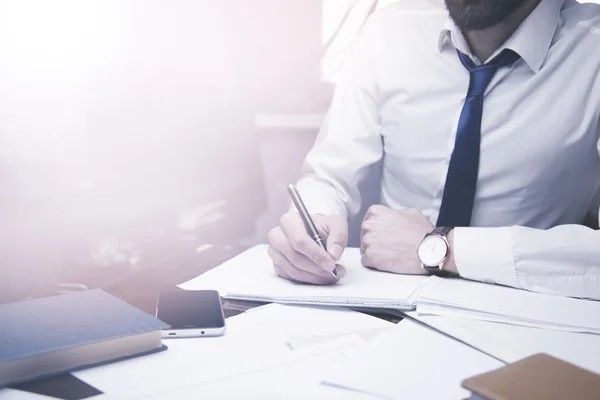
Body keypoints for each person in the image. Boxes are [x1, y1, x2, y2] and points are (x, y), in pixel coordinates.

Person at [267, 0, 600, 300]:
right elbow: (331, 175)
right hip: (388, 306)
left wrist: (443, 248)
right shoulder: (389, 32)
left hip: (526, 316)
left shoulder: (591, 49)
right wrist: (312, 222)